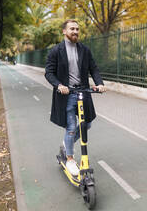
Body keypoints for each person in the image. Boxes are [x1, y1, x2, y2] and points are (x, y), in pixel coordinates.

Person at [45, 19, 106, 176]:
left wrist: (99, 83)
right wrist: (59, 85)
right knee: (71, 127)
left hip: (83, 93)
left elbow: (94, 68)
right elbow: (49, 72)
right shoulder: (56, 51)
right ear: (64, 31)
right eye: (72, 29)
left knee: (88, 125)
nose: (75, 32)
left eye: (77, 29)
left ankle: (67, 144)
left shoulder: (84, 50)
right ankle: (70, 159)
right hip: (66, 95)